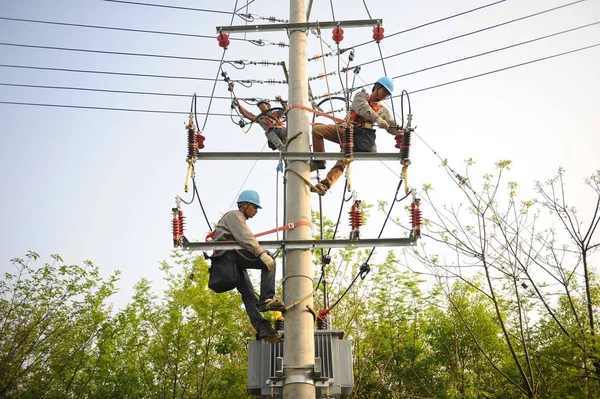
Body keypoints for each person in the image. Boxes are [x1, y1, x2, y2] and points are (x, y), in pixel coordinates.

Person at [212, 190, 285, 343]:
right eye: (254, 207)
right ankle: (267, 299)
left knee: (250, 297)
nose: (256, 211)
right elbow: (246, 237)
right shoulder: (234, 215)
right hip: (229, 255)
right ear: (244, 204)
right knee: (269, 260)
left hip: (229, 261)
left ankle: (265, 330)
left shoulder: (238, 218)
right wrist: (260, 253)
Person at [311, 77, 400, 195]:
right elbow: (361, 107)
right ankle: (319, 161)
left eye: (387, 94)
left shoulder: (383, 111)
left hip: (359, 138)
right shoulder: (360, 96)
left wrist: (400, 132)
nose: (385, 95)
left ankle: (325, 184)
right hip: (345, 130)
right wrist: (377, 119)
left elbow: (392, 125)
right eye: (384, 91)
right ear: (377, 86)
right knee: (317, 130)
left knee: (343, 160)